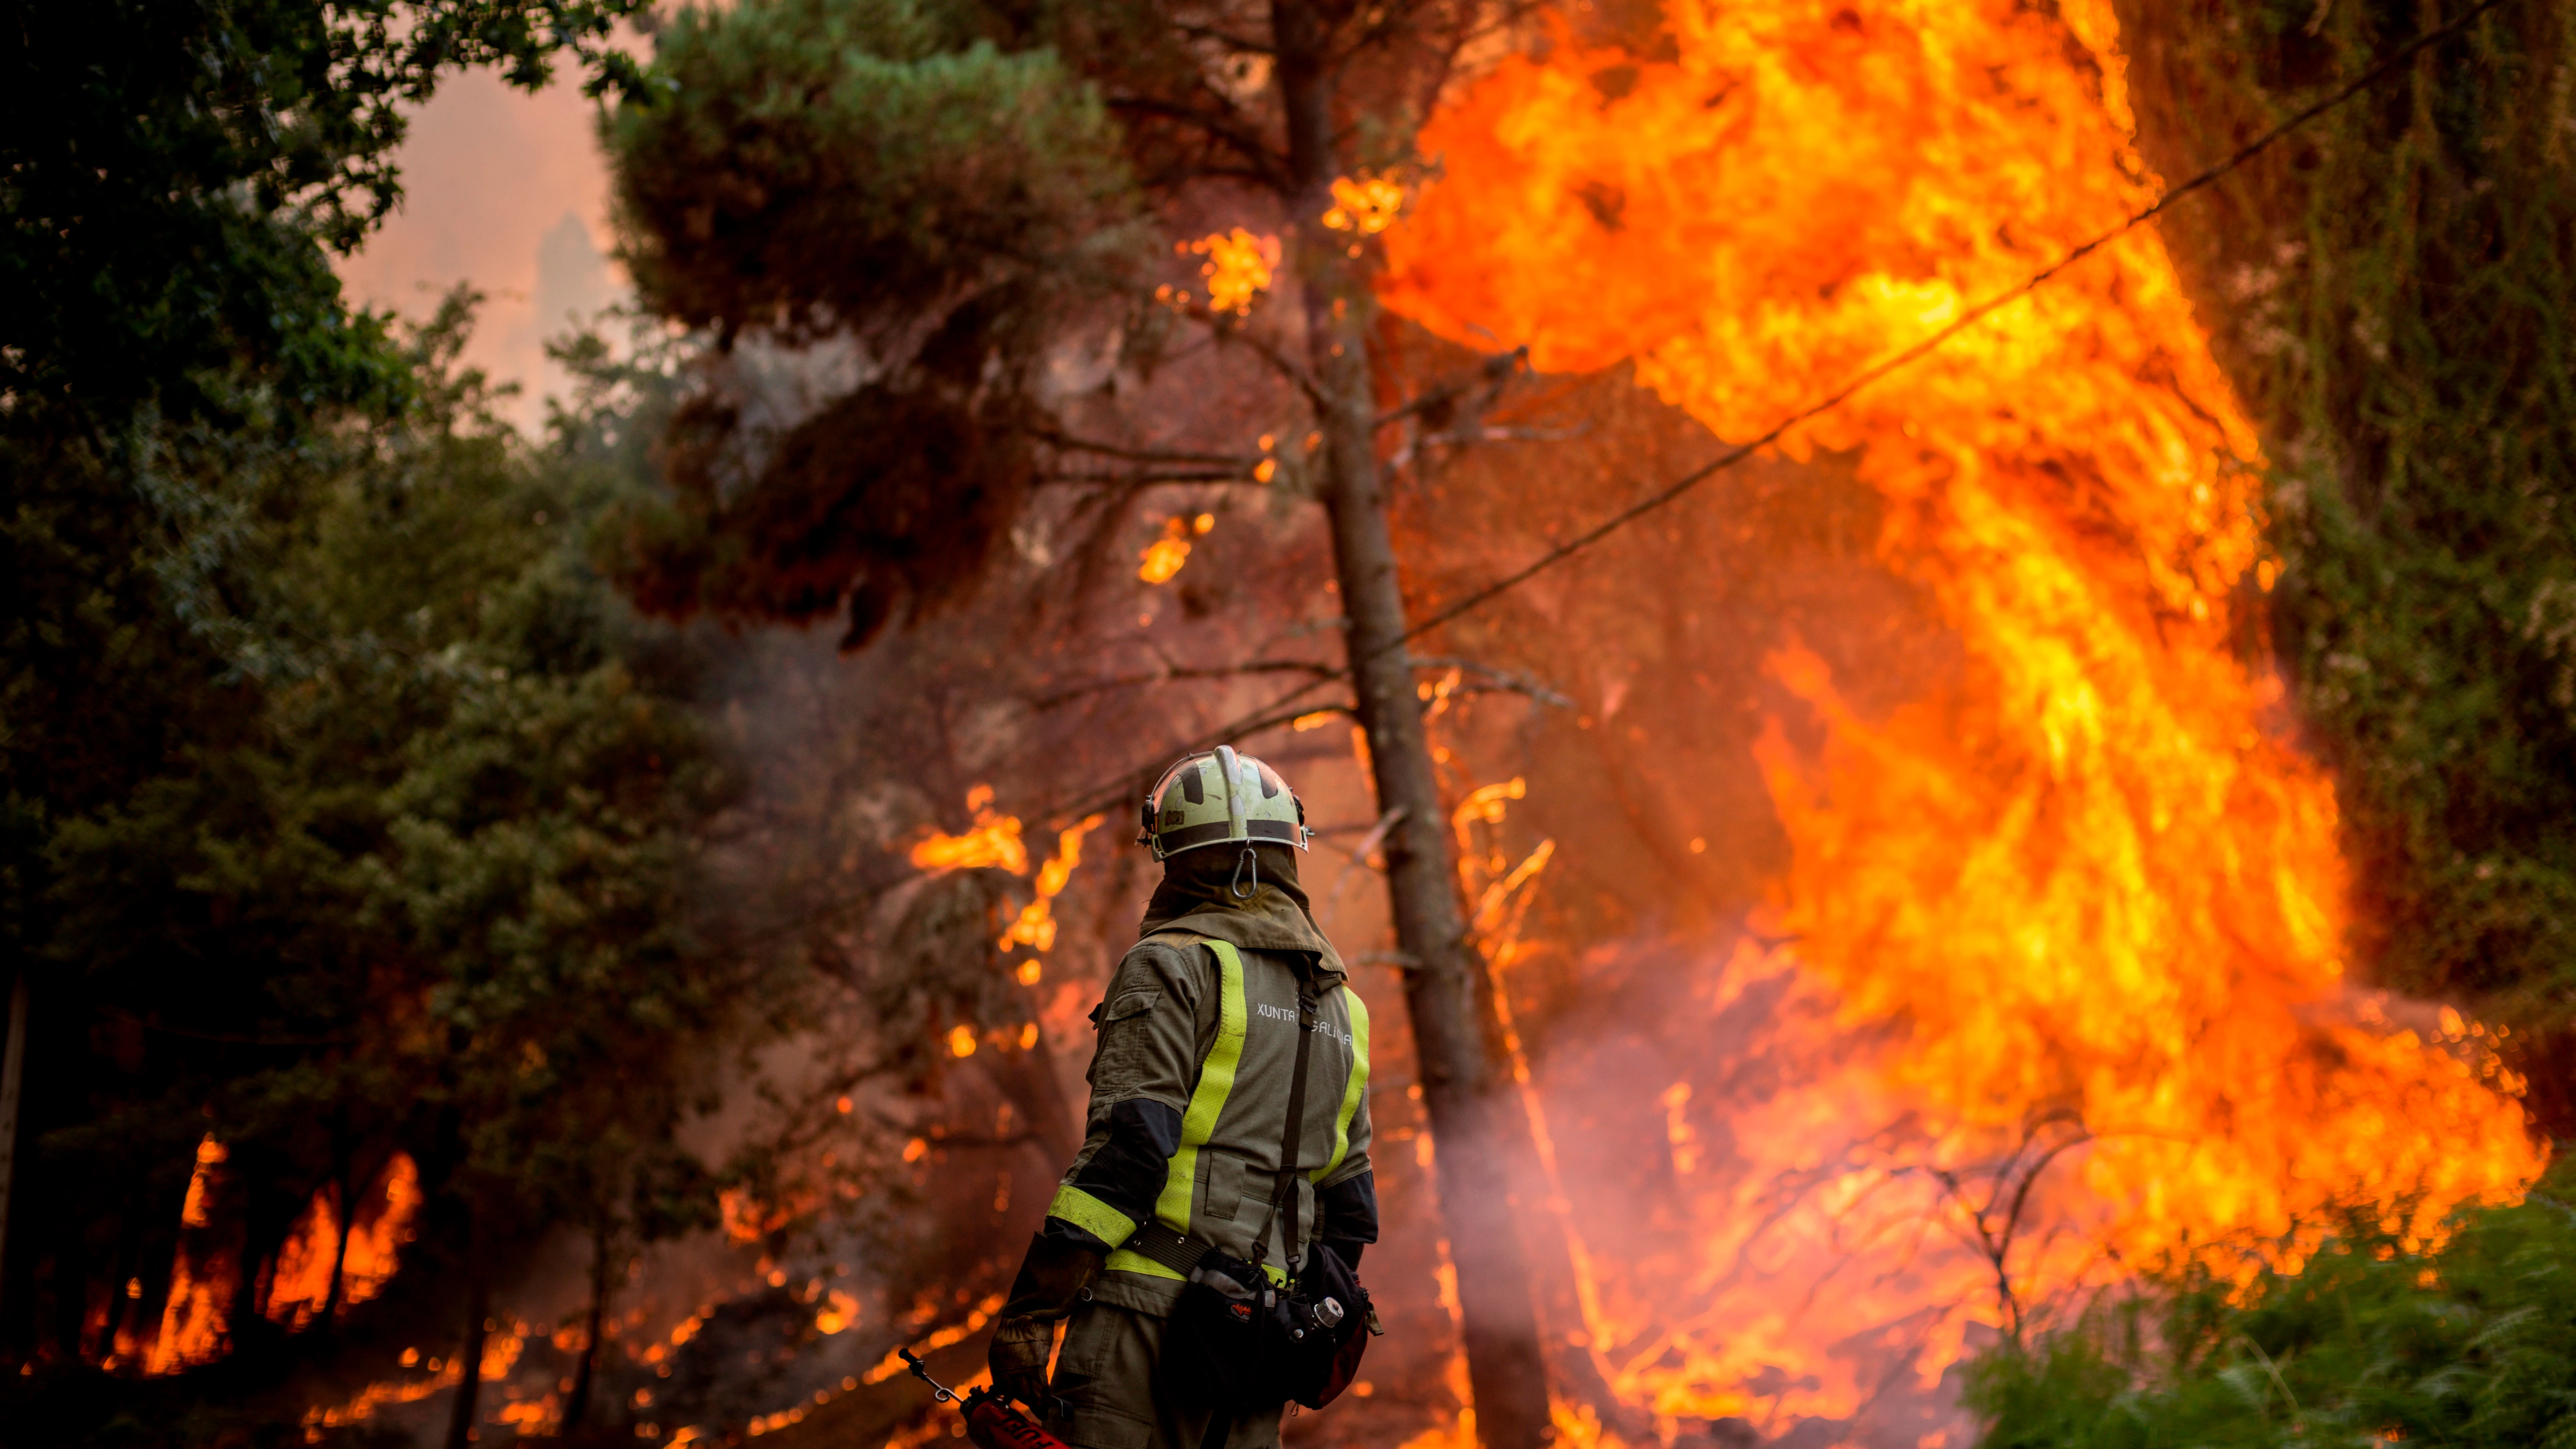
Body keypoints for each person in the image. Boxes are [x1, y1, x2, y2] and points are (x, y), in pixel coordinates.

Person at [987, 746, 1378, 1449]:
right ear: (1287, 852)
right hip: (1258, 1352)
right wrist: (1287, 1324)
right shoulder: (1344, 1008)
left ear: (1177, 859)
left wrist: (1033, 1309)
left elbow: (1130, 1151)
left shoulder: (1172, 964)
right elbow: (1347, 1213)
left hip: (1147, 1326)